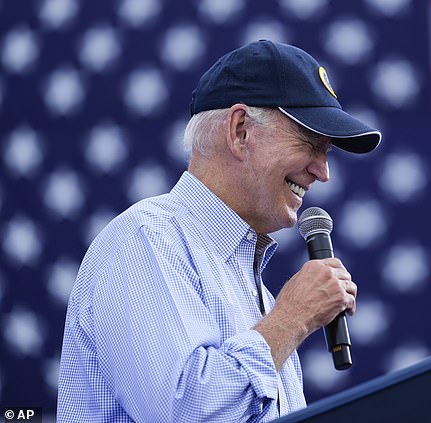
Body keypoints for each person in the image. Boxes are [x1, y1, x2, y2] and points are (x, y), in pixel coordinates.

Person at [57, 39, 382, 422]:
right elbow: (185, 413)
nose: (322, 172)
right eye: (311, 143)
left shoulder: (253, 289)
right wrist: (293, 318)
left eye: (327, 153)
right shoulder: (146, 239)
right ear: (240, 129)